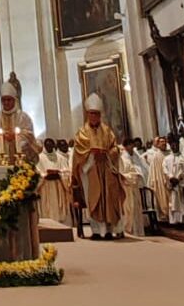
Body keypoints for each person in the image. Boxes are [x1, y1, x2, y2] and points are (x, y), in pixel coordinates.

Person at [71, 95, 125, 239]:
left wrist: (107, 154)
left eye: (97, 114)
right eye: (92, 113)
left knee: (109, 197)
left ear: (100, 115)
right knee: (94, 198)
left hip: (106, 168)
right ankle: (96, 230)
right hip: (91, 170)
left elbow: (115, 148)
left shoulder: (107, 131)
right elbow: (79, 151)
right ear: (87, 114)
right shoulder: (82, 132)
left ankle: (108, 230)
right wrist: (92, 155)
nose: (94, 116)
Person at [0, 81, 38, 162]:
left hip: (21, 160)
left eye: (9, 99)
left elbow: (29, 134)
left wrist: (15, 135)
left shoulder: (23, 116)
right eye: (4, 100)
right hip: (0, 159)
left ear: (14, 100)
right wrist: (1, 135)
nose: (6, 102)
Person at [35, 139, 69, 225]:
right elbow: (38, 172)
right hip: (46, 185)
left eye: (51, 145)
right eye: (47, 145)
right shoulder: (39, 158)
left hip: (58, 184)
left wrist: (59, 173)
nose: (49, 146)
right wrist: (45, 175)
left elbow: (66, 171)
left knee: (58, 205)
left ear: (54, 145)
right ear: (44, 146)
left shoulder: (60, 157)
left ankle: (60, 223)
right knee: (48, 206)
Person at [142, 137, 170, 223]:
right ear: (157, 145)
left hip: (170, 179)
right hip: (161, 180)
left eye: (164, 142)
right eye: (161, 142)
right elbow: (153, 171)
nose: (163, 144)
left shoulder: (170, 153)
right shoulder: (156, 156)